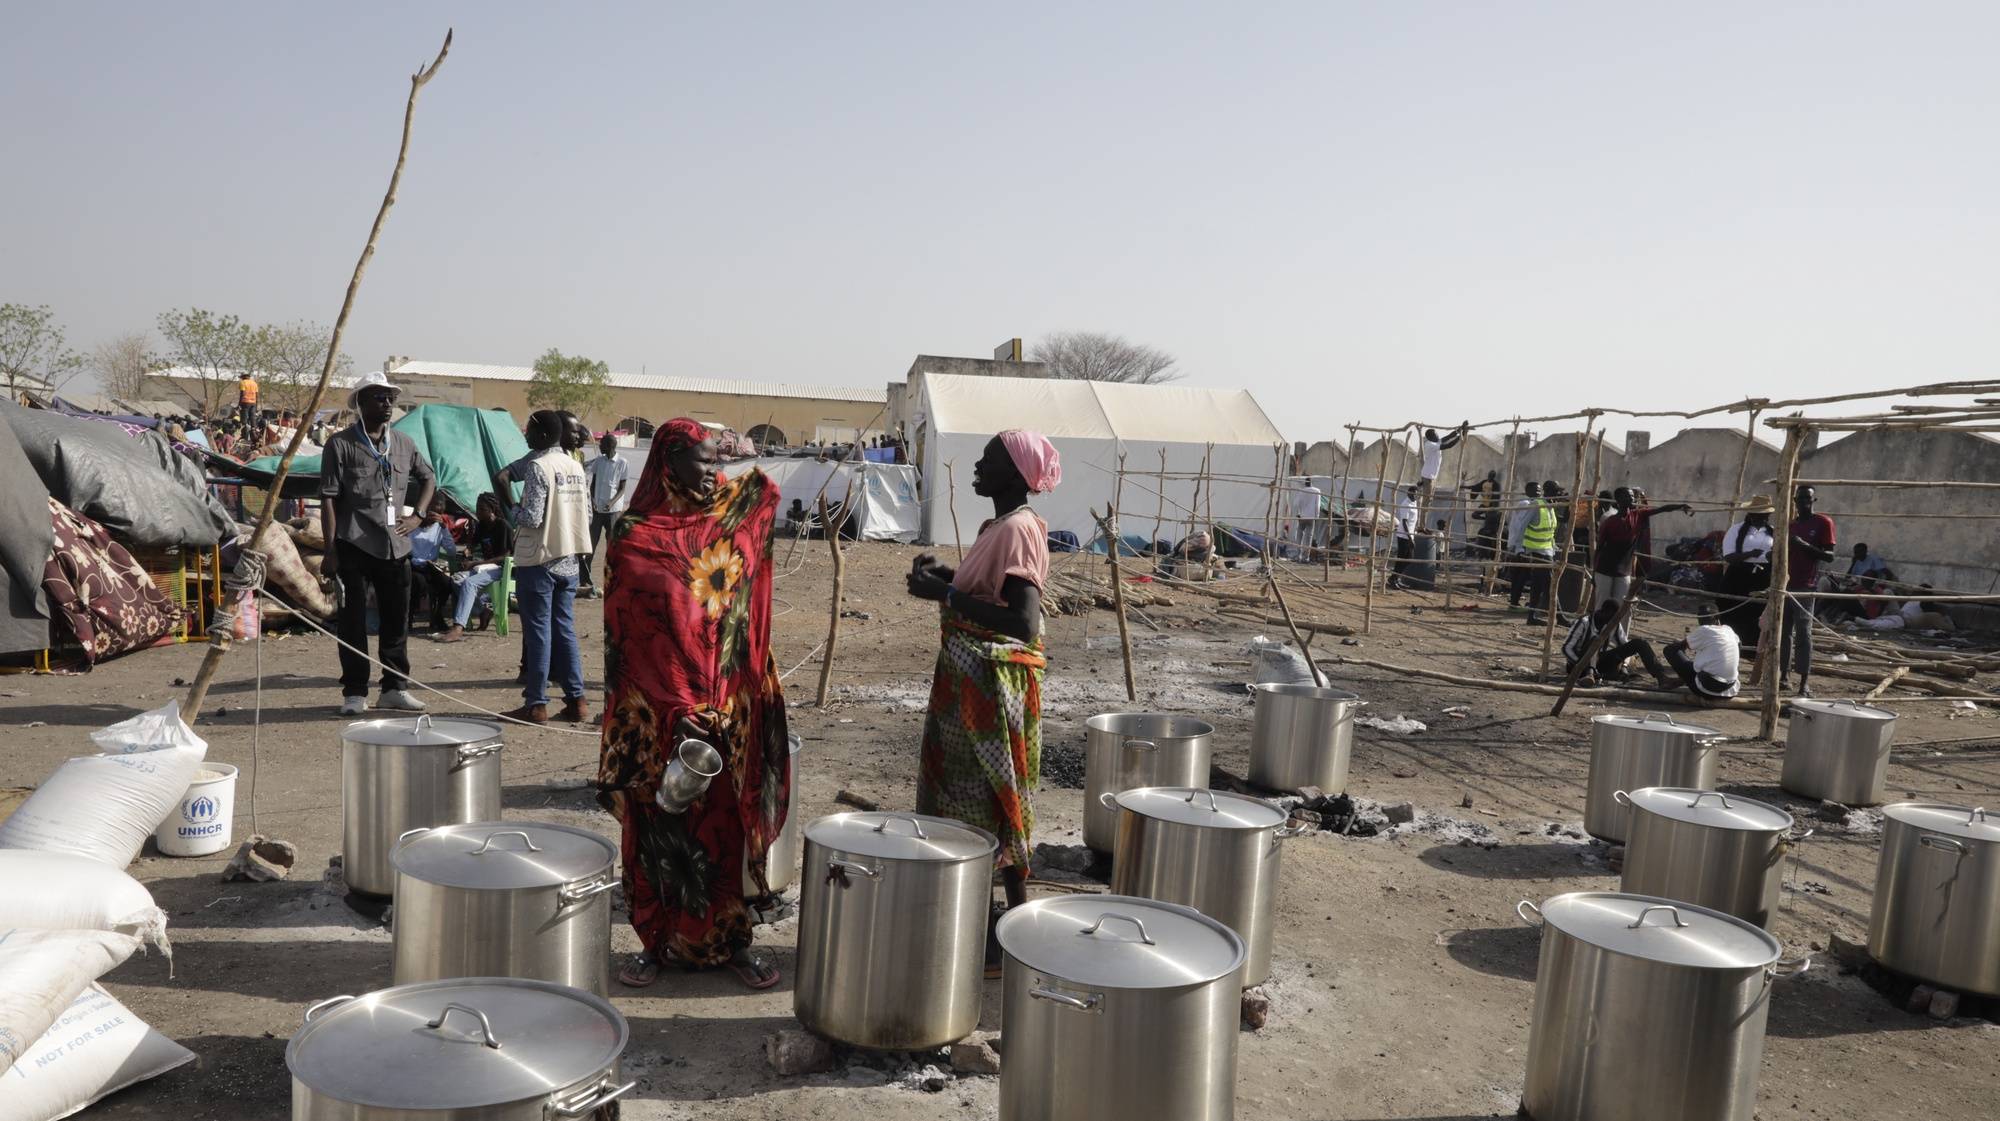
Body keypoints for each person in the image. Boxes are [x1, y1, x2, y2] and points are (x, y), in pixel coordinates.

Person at [599, 417, 789, 991]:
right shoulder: (632, 533)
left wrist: (714, 699)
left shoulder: (727, 522)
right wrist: (673, 703)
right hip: (655, 709)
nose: (714, 472)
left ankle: (730, 943)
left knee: (722, 826)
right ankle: (654, 944)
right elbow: (624, 636)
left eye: (717, 460)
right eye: (702, 461)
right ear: (668, 461)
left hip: (724, 704)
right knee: (657, 824)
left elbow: (767, 494)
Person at [906, 430, 1057, 977]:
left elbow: (1022, 620)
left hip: (990, 694)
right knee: (982, 798)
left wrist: (945, 595)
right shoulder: (1000, 526)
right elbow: (988, 590)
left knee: (985, 802)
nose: (977, 465)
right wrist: (946, 576)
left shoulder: (1018, 529)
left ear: (1015, 475)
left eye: (989, 460)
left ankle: (999, 933)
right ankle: (1009, 925)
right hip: (972, 687)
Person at [319, 371, 435, 715]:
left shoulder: (403, 442)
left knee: (397, 619)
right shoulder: (340, 444)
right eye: (379, 398)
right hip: (354, 543)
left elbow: (428, 478)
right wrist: (330, 550)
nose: (387, 404)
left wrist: (418, 517)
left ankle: (395, 688)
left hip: (396, 546)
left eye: (390, 398)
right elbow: (328, 498)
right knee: (353, 621)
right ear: (360, 402)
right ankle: (354, 692)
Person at [494, 410, 593, 724]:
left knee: (538, 633)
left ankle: (536, 703)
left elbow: (532, 517)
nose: (524, 435)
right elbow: (587, 515)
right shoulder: (574, 465)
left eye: (527, 431)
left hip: (539, 559)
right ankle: (577, 701)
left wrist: (510, 510)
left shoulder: (538, 466)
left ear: (539, 435)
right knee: (565, 631)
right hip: (570, 560)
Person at [1590, 487, 1693, 645]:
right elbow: (1599, 549)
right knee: (1601, 606)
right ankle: (1595, 637)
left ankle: (1620, 641)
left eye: (1633, 497)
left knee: (1624, 608)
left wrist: (1680, 506)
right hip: (1604, 570)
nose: (1632, 500)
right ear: (1618, 500)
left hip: (1623, 571)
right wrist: (1594, 572)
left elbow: (1661, 510)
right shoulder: (1610, 522)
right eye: (1628, 497)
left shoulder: (1638, 515)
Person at [1780, 485, 1837, 697]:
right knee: (1783, 633)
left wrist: (1803, 544)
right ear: (1794, 500)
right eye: (1800, 498)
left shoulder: (1822, 523)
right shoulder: (1790, 525)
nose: (1803, 502)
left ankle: (1804, 682)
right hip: (1785, 584)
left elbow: (1829, 556)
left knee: (1803, 633)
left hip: (1806, 584)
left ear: (1814, 500)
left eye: (1807, 498)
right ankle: (1783, 676)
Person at [433, 493, 513, 642]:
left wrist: (474, 563)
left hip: (501, 568)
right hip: (485, 567)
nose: (478, 512)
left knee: (470, 583)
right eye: (477, 508)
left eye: (482, 509)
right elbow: (472, 544)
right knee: (456, 580)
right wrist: (468, 550)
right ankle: (483, 611)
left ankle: (458, 628)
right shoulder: (481, 525)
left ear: (492, 509)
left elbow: (505, 556)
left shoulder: (503, 526)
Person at [1562, 600, 1673, 687]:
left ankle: (1662, 677)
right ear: (1603, 612)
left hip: (1600, 662)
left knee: (1640, 643)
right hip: (1578, 665)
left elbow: (1625, 645)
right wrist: (1580, 666)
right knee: (1595, 640)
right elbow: (1566, 648)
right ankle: (1589, 674)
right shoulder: (1584, 622)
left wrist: (1624, 665)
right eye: (1611, 616)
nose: (1614, 620)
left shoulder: (1614, 624)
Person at [1716, 495, 1775, 645]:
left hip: (1763, 575)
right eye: (1757, 514)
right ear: (1750, 514)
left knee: (1757, 610)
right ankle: (1733, 643)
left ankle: (1754, 647)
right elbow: (1728, 556)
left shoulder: (1773, 532)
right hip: (1740, 574)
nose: (1761, 518)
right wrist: (1749, 554)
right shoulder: (1736, 530)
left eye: (1764, 515)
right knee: (1732, 607)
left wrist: (1770, 555)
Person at [582, 433, 630, 596]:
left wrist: (612, 501)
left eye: (602, 443)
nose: (600, 446)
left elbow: (622, 487)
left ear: (610, 446)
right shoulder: (599, 461)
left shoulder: (623, 463)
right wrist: (593, 500)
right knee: (590, 545)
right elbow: (593, 483)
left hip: (613, 511)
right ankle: (584, 579)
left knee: (612, 546)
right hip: (597, 511)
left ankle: (614, 579)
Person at [1664, 616, 1742, 701]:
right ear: (1717, 620)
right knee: (1703, 666)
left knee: (1669, 650)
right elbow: (1739, 645)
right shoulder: (1729, 630)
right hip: (1731, 689)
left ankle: (1680, 680)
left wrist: (1681, 643)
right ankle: (1682, 680)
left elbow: (1679, 647)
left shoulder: (1704, 629)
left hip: (1706, 691)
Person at [1519, 484, 1559, 624]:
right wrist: (1518, 548)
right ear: (1547, 492)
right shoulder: (1537, 505)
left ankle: (1532, 616)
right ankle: (1559, 616)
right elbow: (1521, 525)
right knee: (1550, 582)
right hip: (1536, 550)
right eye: (1556, 492)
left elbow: (1550, 531)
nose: (1558, 495)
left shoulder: (1550, 506)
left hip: (1547, 550)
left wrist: (1554, 547)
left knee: (1539, 583)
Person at [1506, 481, 1543, 609]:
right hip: (1520, 547)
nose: (1539, 493)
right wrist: (1520, 548)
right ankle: (1514, 603)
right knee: (1521, 576)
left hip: (1519, 546)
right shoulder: (1526, 505)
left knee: (1519, 576)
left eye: (1539, 490)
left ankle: (1514, 602)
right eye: (1536, 490)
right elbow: (1521, 527)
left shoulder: (1530, 505)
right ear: (1528, 492)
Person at [1468, 470, 1503, 565]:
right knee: (1475, 515)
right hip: (1485, 505)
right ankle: (1483, 555)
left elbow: (1497, 496)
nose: (1490, 476)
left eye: (1492, 475)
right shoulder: (1484, 482)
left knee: (1488, 538)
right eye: (1489, 475)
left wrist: (1493, 507)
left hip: (1491, 509)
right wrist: (1464, 486)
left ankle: (1489, 556)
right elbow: (1476, 487)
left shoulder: (1496, 485)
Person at [1389, 484, 1419, 589]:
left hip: (1410, 534)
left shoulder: (1414, 502)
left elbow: (1412, 520)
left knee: (1408, 559)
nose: (1414, 496)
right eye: (1412, 494)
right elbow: (1405, 522)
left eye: (1416, 495)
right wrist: (1410, 538)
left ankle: (1395, 577)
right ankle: (1394, 578)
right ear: (1408, 493)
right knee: (1403, 558)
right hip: (1404, 535)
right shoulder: (1406, 504)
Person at [1291, 481, 1324, 552]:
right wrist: (1317, 516)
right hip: (1311, 517)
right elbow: (1317, 505)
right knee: (1308, 537)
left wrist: (1299, 512)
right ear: (1311, 483)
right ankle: (1305, 557)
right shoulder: (1317, 491)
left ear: (1305, 483)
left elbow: (1295, 504)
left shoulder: (1301, 491)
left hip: (1302, 516)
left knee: (1299, 535)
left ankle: (1298, 555)